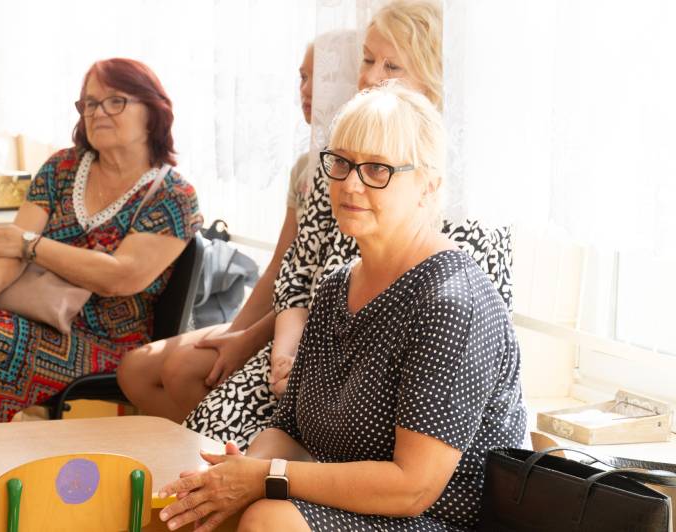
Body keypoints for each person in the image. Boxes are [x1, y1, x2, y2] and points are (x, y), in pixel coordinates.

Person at [158, 83, 526, 532]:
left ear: (428, 187)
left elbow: (412, 489)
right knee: (202, 507)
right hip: (356, 507)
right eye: (342, 163)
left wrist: (263, 480)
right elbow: (288, 431)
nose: (351, 184)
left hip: (438, 520)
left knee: (269, 519)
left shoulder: (452, 303)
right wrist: (242, 473)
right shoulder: (336, 287)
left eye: (377, 169)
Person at [184, 0, 517, 451]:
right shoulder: (337, 271)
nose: (371, 77)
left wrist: (269, 473)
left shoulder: (460, 262)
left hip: (385, 393)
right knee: (206, 440)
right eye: (367, 60)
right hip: (315, 363)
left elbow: (416, 475)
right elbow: (295, 277)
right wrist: (285, 354)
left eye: (392, 66)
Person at [0, 58, 203, 423]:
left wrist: (32, 246)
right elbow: (7, 249)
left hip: (106, 343)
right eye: (90, 103)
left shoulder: (173, 195)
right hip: (29, 318)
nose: (98, 112)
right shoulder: (62, 168)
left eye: (116, 101)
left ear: (154, 112)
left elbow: (120, 276)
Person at [116, 42, 315, 421]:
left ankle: (234, 448)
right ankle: (206, 445)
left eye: (318, 79)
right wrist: (235, 333)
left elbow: (313, 293)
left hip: (304, 325)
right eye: (302, 78)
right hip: (279, 313)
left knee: (182, 371)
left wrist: (248, 339)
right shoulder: (305, 166)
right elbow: (279, 267)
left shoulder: (350, 175)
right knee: (135, 370)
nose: (305, 91)